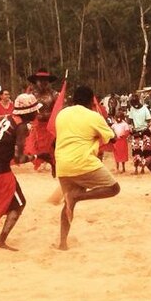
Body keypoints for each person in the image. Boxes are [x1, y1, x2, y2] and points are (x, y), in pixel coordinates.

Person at [54, 85, 119, 250]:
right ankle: (77, 197)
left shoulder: (62, 114)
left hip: (62, 164)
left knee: (68, 204)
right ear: (91, 100)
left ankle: (62, 242)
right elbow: (112, 139)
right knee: (113, 188)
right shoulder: (94, 116)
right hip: (83, 163)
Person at [0, 93, 41, 250]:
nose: (37, 114)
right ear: (28, 112)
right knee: (19, 204)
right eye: (35, 111)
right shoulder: (21, 127)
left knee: (12, 202)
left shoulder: (10, 119)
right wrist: (36, 157)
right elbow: (19, 159)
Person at [25, 69, 59, 173]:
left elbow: (58, 108)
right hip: (37, 124)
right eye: (40, 80)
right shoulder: (31, 94)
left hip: (50, 124)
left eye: (45, 80)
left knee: (52, 145)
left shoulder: (54, 94)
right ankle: (41, 161)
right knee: (37, 145)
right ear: (36, 81)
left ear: (48, 82)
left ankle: (53, 163)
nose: (43, 83)